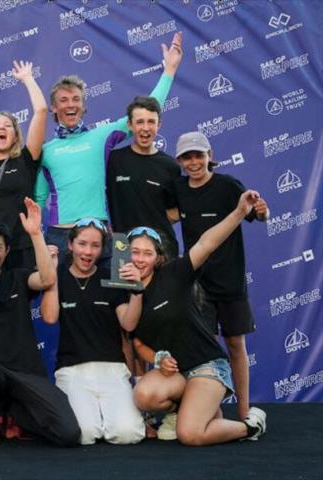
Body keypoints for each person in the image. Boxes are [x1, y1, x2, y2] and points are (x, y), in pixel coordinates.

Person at [129, 190, 268, 446]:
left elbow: (207, 243)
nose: (139, 259)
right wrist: (157, 358)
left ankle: (250, 427)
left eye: (147, 253)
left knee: (190, 435)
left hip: (207, 366)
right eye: (134, 252)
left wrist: (239, 212)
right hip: (177, 374)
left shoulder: (173, 274)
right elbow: (136, 342)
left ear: (158, 257)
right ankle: (187, 411)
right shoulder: (128, 294)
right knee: (144, 395)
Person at [35, 32, 184, 267]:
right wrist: (39, 240)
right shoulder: (45, 150)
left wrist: (169, 71)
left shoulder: (101, 136)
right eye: (63, 100)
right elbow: (38, 199)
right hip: (60, 237)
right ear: (54, 108)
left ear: (84, 106)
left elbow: (145, 112)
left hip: (106, 236)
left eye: (76, 99)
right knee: (62, 302)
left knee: (116, 300)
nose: (70, 104)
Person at [0, 200, 80, 447]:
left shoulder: (18, 276)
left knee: (68, 432)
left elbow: (48, 278)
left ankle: (14, 415)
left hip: (26, 373)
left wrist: (36, 234)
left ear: (7, 251)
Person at [172, 131, 270, 421]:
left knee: (236, 346)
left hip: (230, 282)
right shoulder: (177, 189)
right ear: (179, 161)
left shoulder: (228, 186)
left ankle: (244, 413)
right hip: (196, 286)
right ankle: (209, 415)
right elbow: (165, 215)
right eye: (187, 157)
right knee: (204, 352)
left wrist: (263, 211)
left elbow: (258, 214)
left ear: (209, 156)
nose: (193, 162)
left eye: (198, 155)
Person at [49, 218, 145, 445]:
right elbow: (50, 317)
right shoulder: (58, 276)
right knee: (84, 433)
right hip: (72, 371)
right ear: (70, 245)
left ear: (103, 249)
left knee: (128, 434)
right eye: (82, 244)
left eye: (95, 245)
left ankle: (109, 418)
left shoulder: (110, 278)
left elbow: (128, 324)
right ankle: (96, 419)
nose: (88, 251)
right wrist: (51, 276)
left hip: (112, 369)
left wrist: (137, 291)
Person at [0, 61, 48, 270]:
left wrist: (27, 79)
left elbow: (41, 111)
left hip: (23, 249)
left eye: (8, 126)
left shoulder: (25, 160)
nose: (1, 128)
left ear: (15, 137)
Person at [105, 96, 181, 259]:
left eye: (151, 122)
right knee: (125, 286)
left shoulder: (170, 166)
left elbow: (175, 211)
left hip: (162, 250)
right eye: (140, 122)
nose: (146, 128)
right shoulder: (113, 160)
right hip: (123, 248)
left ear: (159, 125)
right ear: (130, 125)